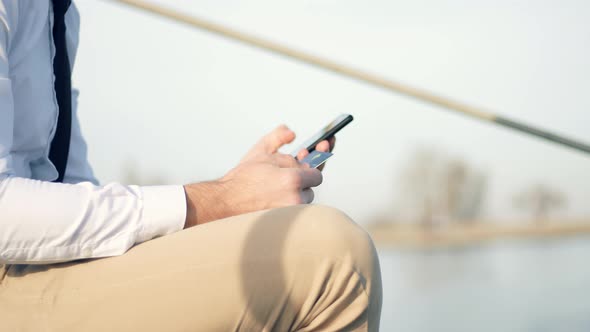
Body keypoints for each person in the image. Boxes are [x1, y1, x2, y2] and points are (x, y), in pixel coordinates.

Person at [0, 1, 382, 331]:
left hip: (41, 265)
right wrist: (219, 199)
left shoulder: (60, 15)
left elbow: (73, 188)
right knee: (330, 254)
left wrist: (235, 200)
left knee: (293, 244)